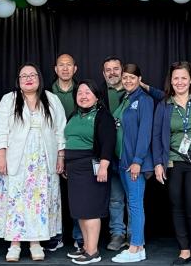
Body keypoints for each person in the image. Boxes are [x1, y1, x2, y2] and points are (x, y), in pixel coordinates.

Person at [0, 63, 66, 262]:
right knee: (15, 200)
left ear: (39, 78)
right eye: (24, 76)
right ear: (18, 80)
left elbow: (60, 130)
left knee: (40, 201)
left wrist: (61, 156)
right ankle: (14, 244)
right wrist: (0, 155)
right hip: (16, 159)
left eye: (32, 75)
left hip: (43, 159)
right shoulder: (9, 100)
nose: (28, 78)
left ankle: (36, 242)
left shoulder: (52, 99)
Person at [153, 61, 191, 266]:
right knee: (177, 206)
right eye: (176, 78)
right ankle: (184, 250)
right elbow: (157, 135)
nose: (179, 82)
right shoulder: (164, 105)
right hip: (173, 162)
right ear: (171, 81)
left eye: (184, 78)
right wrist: (158, 163)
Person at [64, 80, 116, 264]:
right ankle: (86, 247)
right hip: (74, 168)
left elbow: (109, 142)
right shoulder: (74, 116)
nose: (83, 96)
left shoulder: (103, 116)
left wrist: (103, 166)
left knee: (91, 210)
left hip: (91, 167)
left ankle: (93, 252)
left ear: (97, 96)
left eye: (88, 92)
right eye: (80, 93)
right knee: (80, 211)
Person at [110, 64, 154, 263]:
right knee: (131, 203)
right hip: (122, 161)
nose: (127, 81)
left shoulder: (144, 100)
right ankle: (139, 245)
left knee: (135, 205)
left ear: (139, 79)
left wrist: (137, 161)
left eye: (132, 78)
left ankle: (136, 248)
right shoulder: (125, 99)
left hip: (134, 163)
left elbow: (145, 133)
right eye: (125, 77)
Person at [47, 53, 83, 252]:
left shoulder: (82, 91)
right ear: (55, 69)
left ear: (75, 69)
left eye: (69, 65)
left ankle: (79, 237)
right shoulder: (46, 93)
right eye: (61, 65)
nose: (65, 68)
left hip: (77, 151)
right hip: (51, 153)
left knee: (77, 195)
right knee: (52, 195)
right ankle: (55, 235)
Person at [100, 56, 129, 251]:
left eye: (115, 69)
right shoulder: (99, 95)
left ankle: (135, 234)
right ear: (103, 74)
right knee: (115, 198)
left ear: (122, 70)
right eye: (108, 69)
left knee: (135, 199)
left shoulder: (135, 92)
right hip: (111, 156)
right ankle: (117, 233)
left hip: (131, 156)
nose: (112, 72)